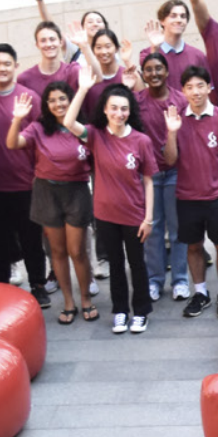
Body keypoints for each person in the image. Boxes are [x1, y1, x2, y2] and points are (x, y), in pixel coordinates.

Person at [60, 79, 158, 334]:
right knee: (115, 264)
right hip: (105, 215)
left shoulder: (141, 141)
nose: (119, 113)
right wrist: (82, 89)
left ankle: (142, 311)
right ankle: (120, 311)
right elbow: (68, 123)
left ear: (130, 111)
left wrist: (148, 219)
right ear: (105, 109)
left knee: (137, 264)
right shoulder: (95, 135)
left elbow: (148, 181)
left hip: (134, 215)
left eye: (124, 108)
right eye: (113, 108)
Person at [8, 82, 97, 325]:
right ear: (46, 105)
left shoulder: (82, 129)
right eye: (53, 100)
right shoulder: (38, 128)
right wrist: (17, 119)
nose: (58, 104)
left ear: (71, 101)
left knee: (77, 251)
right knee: (56, 251)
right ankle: (68, 302)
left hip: (77, 192)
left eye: (63, 99)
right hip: (47, 192)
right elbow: (12, 143)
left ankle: (86, 298)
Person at [0, 43, 50, 306]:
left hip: (27, 183)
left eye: (7, 63)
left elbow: (42, 138)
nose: (2, 68)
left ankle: (38, 285)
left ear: (15, 66)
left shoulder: (29, 97)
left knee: (31, 240)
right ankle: (1, 290)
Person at [166, 66, 218, 319]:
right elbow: (169, 160)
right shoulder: (176, 119)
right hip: (187, 197)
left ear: (209, 87)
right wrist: (171, 132)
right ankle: (200, 293)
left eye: (200, 86)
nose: (195, 91)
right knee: (194, 246)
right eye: (189, 87)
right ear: (182, 91)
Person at [125, 46, 190, 301]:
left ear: (167, 71)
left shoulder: (180, 100)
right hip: (148, 177)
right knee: (152, 229)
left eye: (158, 68)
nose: (154, 73)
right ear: (144, 73)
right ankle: (154, 279)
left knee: (177, 230)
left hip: (175, 173)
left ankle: (181, 280)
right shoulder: (137, 101)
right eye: (148, 69)